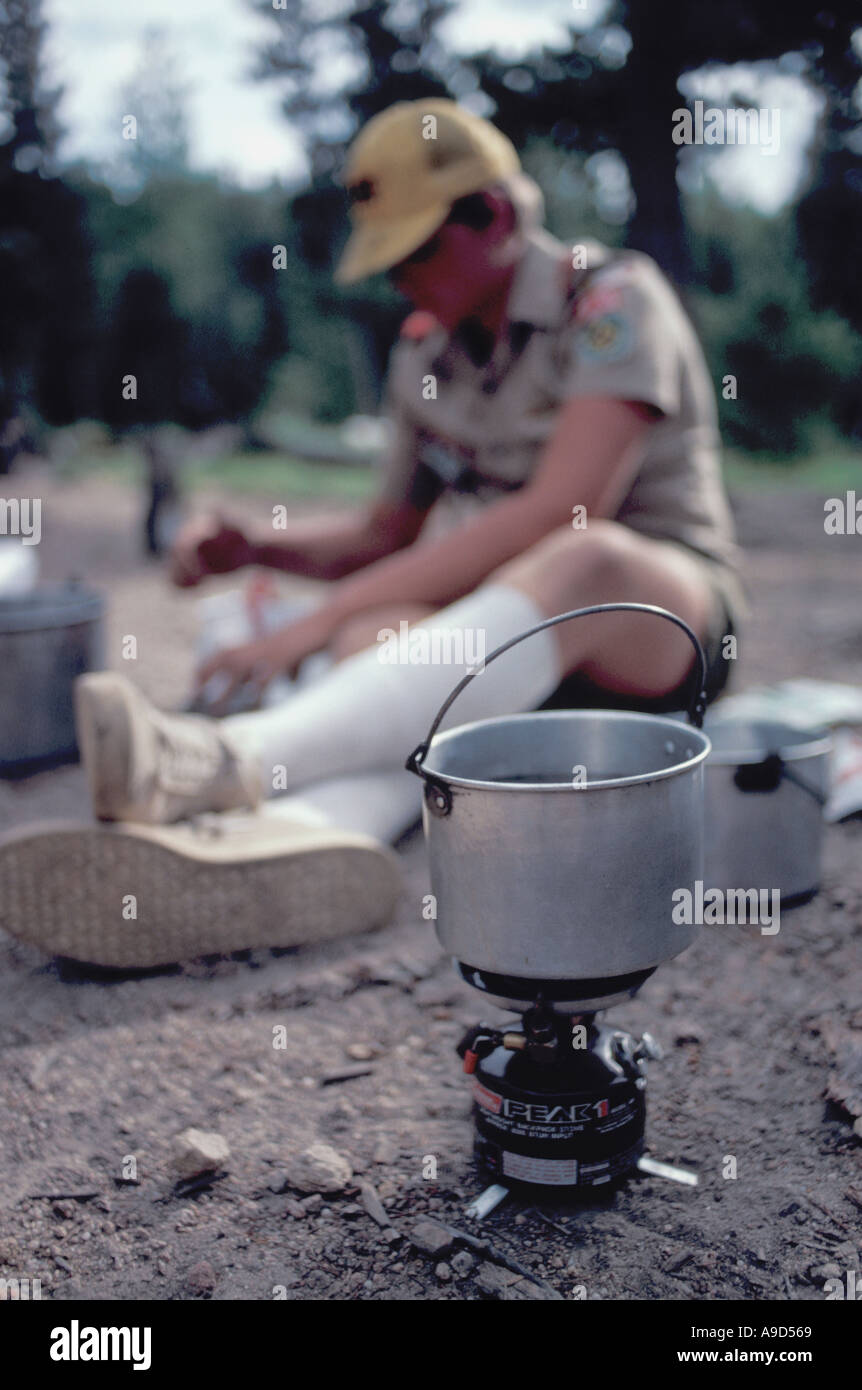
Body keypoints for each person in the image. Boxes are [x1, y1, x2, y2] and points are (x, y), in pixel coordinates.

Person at [0, 99, 745, 968]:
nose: (398, 279)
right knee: (370, 640)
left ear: (495, 216)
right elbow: (388, 531)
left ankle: (222, 760)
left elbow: (560, 511)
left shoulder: (613, 302)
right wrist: (260, 549)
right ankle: (289, 852)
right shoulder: (425, 354)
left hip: (657, 627)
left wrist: (305, 626)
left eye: (416, 250)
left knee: (585, 556)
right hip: (514, 650)